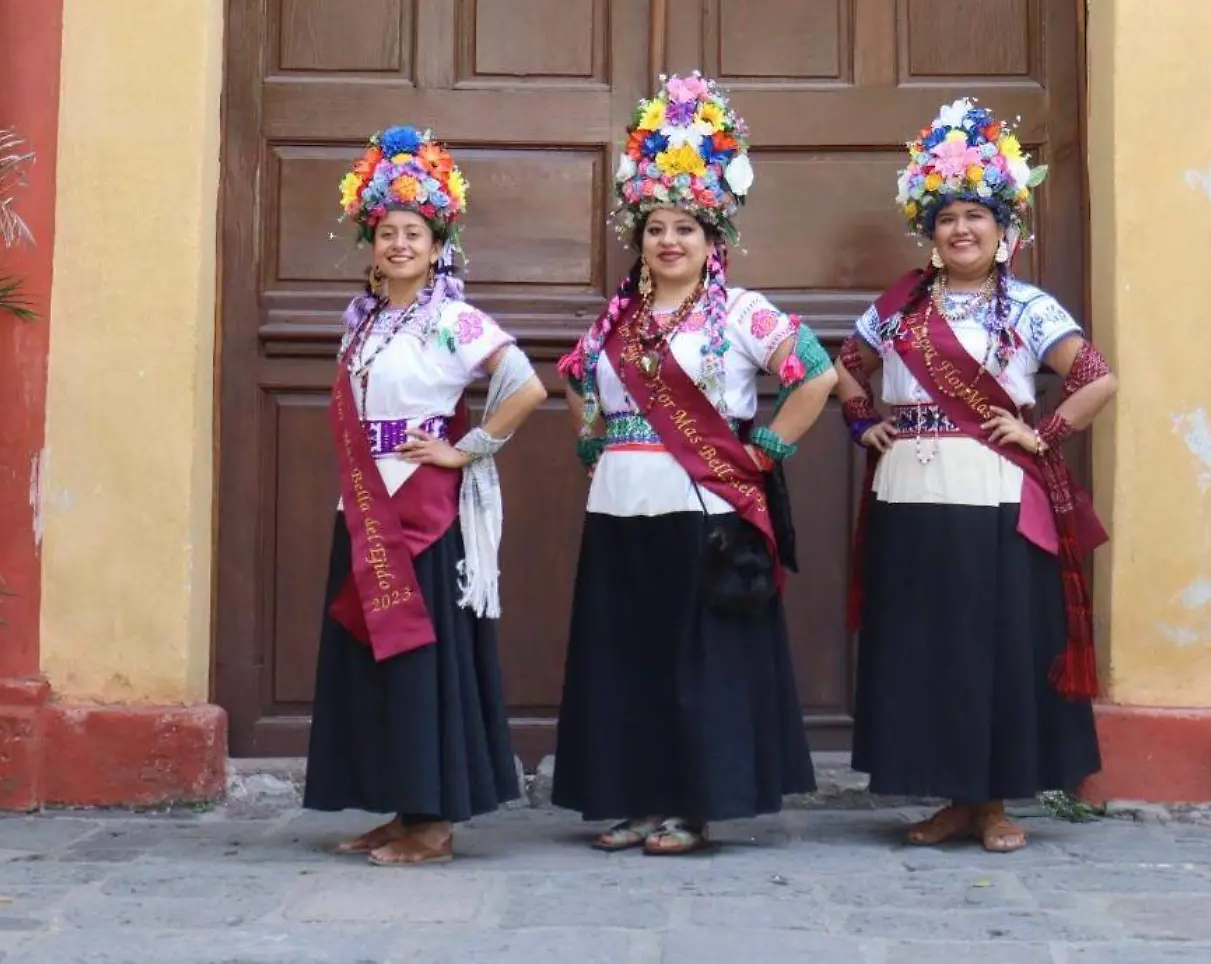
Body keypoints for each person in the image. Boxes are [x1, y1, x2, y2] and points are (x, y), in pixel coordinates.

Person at [550, 72, 837, 856]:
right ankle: (635, 800)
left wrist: (768, 445)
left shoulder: (743, 314)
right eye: (654, 229)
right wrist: (591, 437)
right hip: (618, 510)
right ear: (638, 241)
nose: (668, 241)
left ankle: (691, 806)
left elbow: (817, 374)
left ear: (713, 241)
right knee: (626, 663)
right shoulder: (617, 325)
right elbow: (571, 377)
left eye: (685, 228)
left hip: (702, 513)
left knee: (692, 666)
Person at [833, 98, 1116, 853]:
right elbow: (840, 368)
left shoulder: (1027, 307)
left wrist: (1042, 431)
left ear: (1003, 230)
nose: (961, 230)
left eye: (976, 217)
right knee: (923, 646)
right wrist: (864, 419)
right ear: (929, 231)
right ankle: (949, 798)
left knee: (992, 648)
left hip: (993, 498)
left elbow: (1094, 378)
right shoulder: (895, 312)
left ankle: (992, 803)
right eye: (948, 217)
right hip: (910, 497)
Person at [303, 125, 547, 866]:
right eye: (386, 232)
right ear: (371, 245)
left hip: (423, 516)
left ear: (439, 245)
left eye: (413, 233)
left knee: (420, 663)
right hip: (365, 506)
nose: (399, 244)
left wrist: (465, 449)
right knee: (372, 660)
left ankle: (435, 823)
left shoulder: (453, 320)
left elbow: (525, 385)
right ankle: (401, 805)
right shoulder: (367, 323)